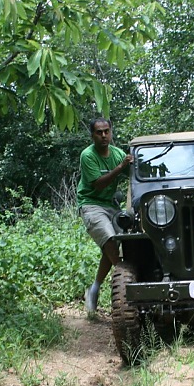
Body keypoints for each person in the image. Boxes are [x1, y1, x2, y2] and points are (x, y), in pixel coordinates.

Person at [77, 117, 133, 314]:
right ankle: (125, 279)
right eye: (99, 132)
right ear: (92, 135)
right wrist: (120, 168)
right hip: (91, 204)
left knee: (120, 243)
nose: (103, 135)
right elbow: (98, 184)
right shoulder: (88, 155)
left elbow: (134, 174)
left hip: (111, 205)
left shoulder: (118, 153)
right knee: (110, 241)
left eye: (106, 131)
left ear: (111, 132)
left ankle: (94, 288)